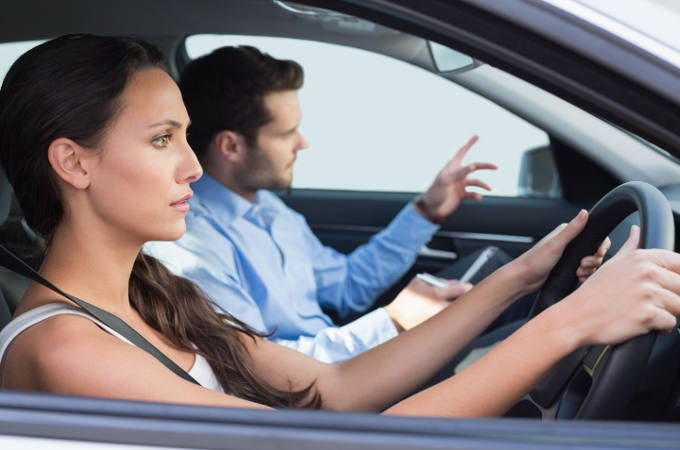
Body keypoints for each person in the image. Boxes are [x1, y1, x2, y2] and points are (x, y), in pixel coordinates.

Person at [0, 34, 677, 416]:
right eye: (161, 140)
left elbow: (339, 390)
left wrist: (526, 281)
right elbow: (328, 443)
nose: (193, 168)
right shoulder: (66, 351)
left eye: (186, 137)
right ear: (73, 162)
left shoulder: (149, 292)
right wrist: (571, 323)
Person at [144, 46, 606, 363]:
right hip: (323, 391)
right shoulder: (190, 244)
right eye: (286, 134)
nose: (303, 144)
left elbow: (347, 286)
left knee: (498, 292)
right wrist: (395, 321)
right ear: (231, 146)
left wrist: (426, 211)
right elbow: (265, 369)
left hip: (347, 363)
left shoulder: (270, 210)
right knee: (525, 345)